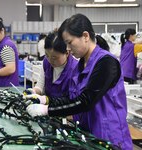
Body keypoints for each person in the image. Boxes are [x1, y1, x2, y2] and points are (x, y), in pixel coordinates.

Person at [26, 14, 132, 149]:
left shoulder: (106, 62)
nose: (68, 49)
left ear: (85, 36)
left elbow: (85, 101)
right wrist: (44, 100)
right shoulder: (80, 66)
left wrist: (47, 110)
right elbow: (71, 98)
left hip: (109, 138)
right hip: (87, 135)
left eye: (69, 43)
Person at [24, 31, 78, 101]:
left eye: (54, 58)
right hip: (49, 108)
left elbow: (73, 100)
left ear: (67, 53)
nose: (50, 60)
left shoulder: (75, 70)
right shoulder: (46, 62)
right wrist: (34, 91)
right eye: (47, 55)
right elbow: (40, 86)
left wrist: (46, 102)